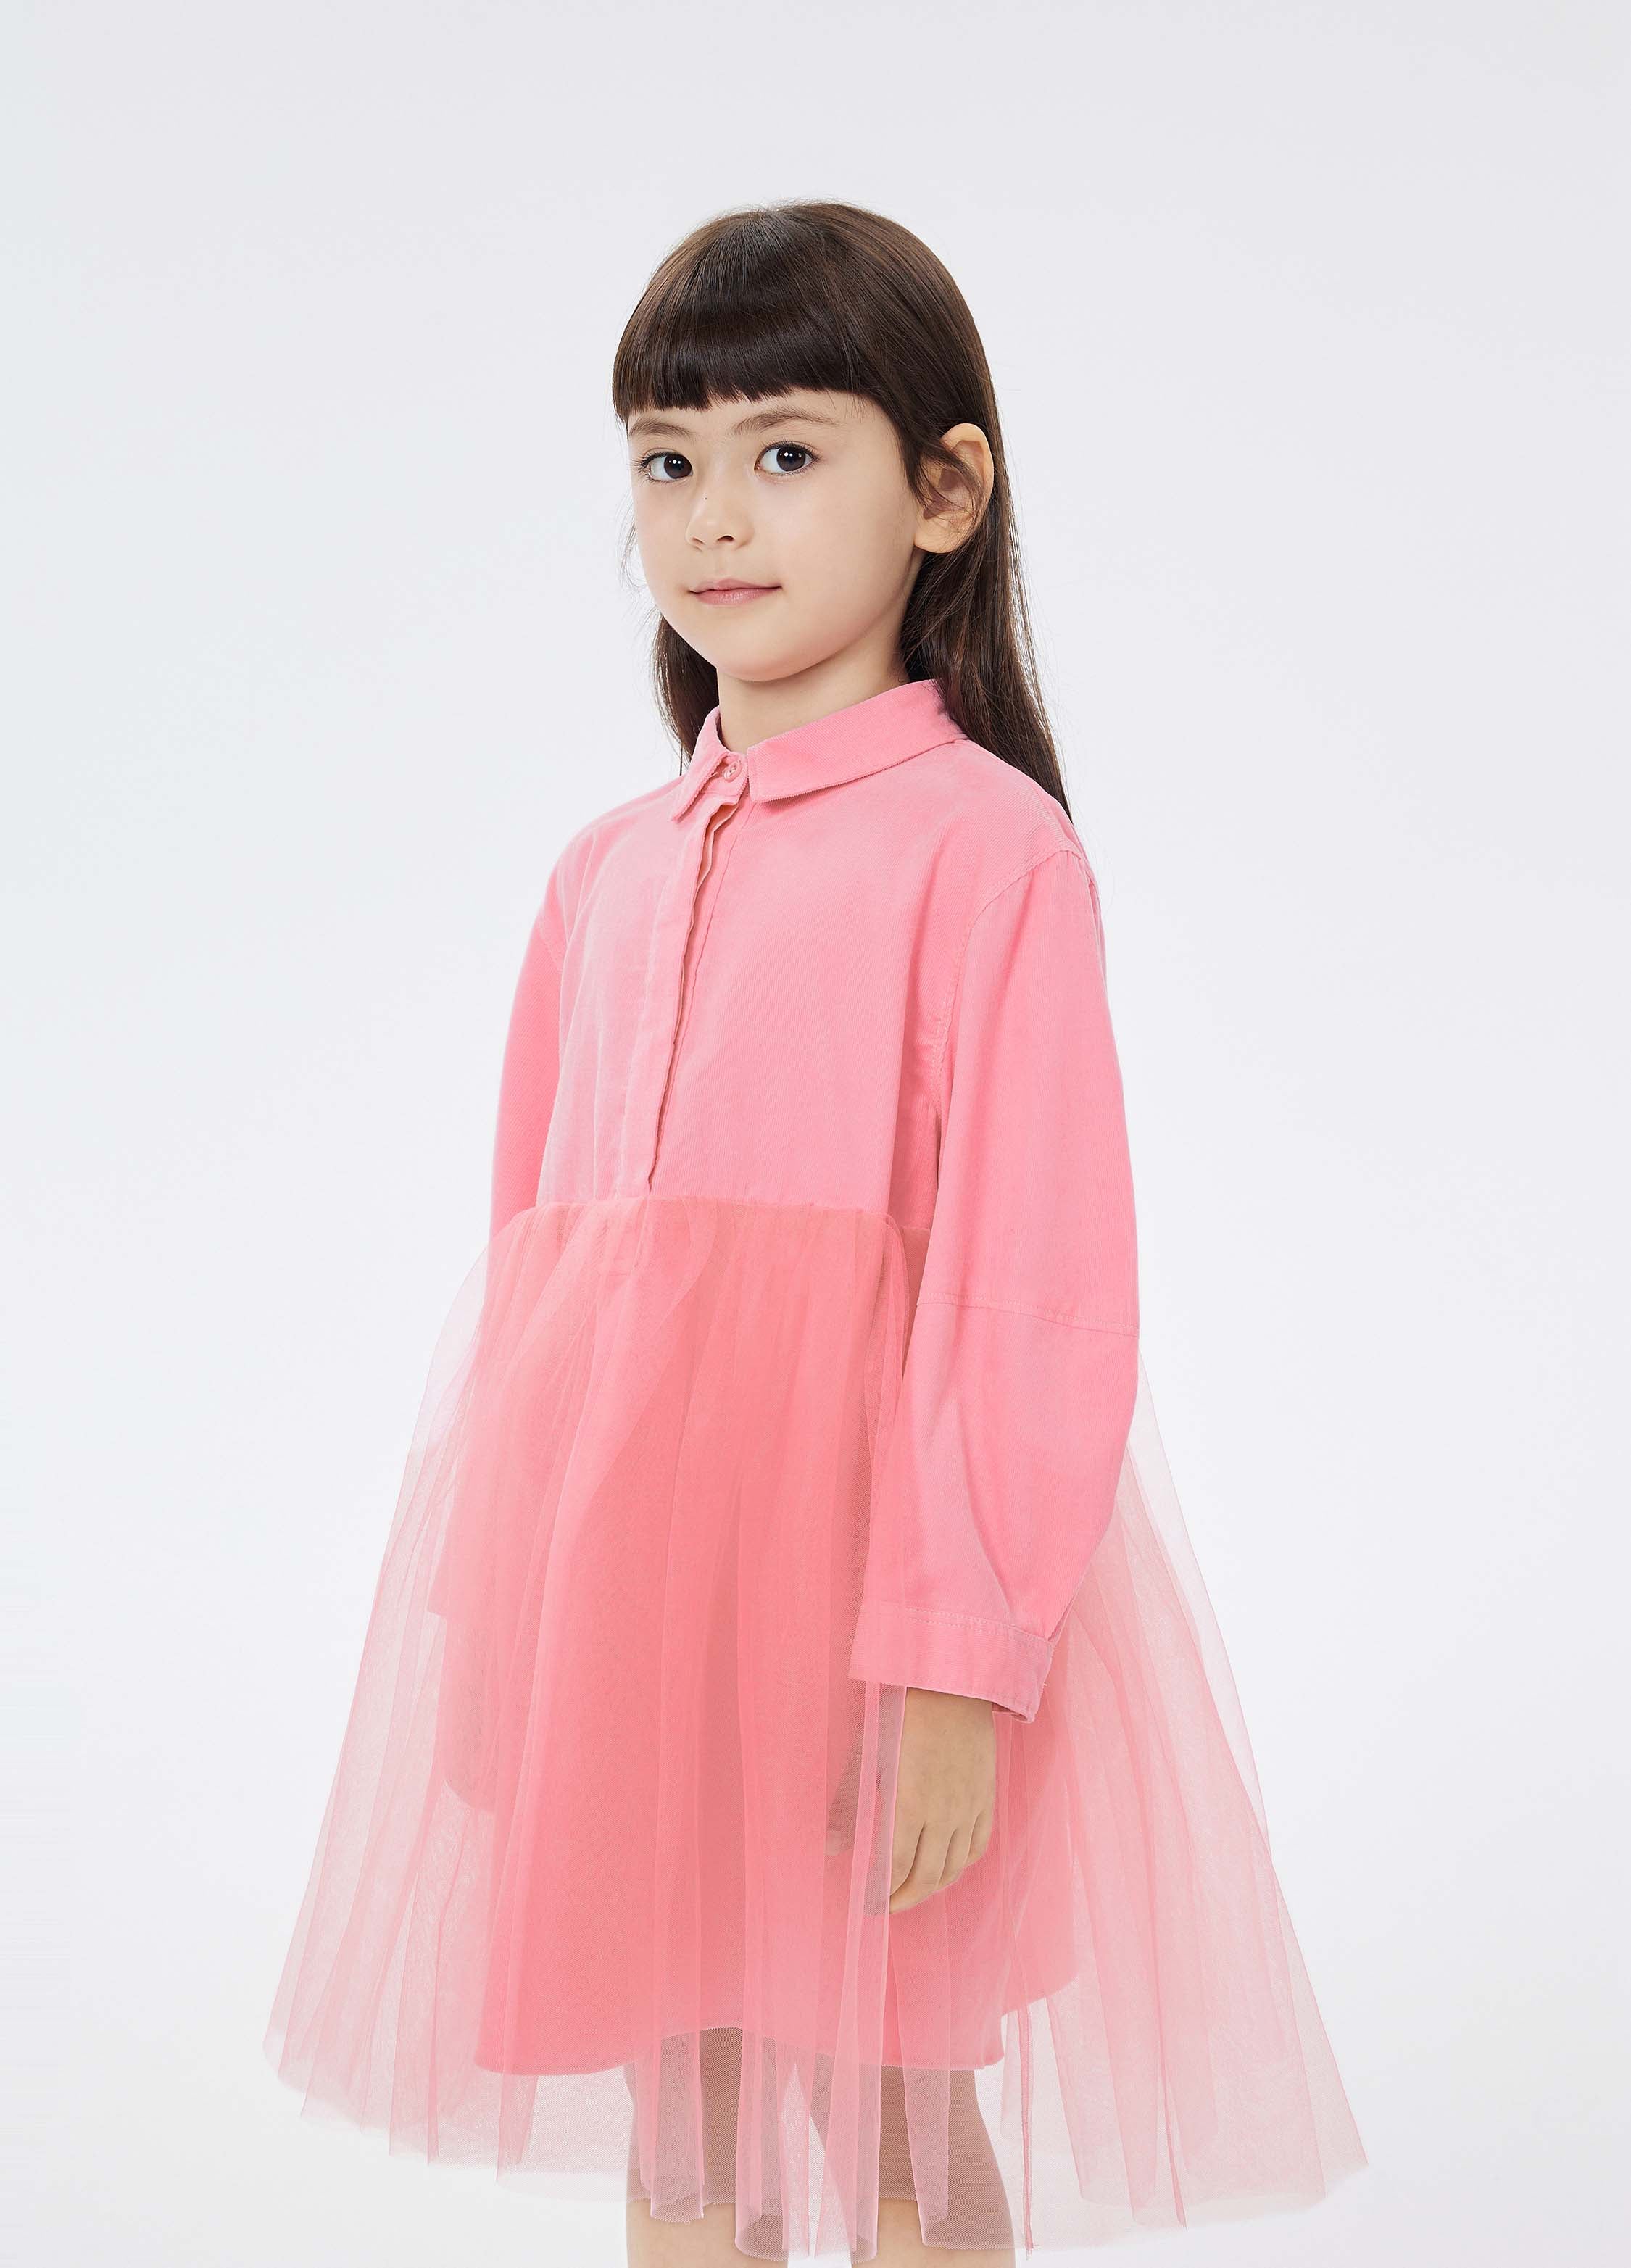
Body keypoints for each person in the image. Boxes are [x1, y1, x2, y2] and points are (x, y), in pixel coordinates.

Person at [263, 200, 1367, 2266]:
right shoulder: (604, 872)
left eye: (783, 451)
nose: (712, 515)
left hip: (870, 1591)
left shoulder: (987, 856)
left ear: (943, 491)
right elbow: (537, 1270)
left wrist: (958, 1661)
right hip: (626, 1593)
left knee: (888, 2111)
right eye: (665, 461)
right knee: (679, 2108)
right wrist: (504, 1616)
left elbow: (1031, 1287)